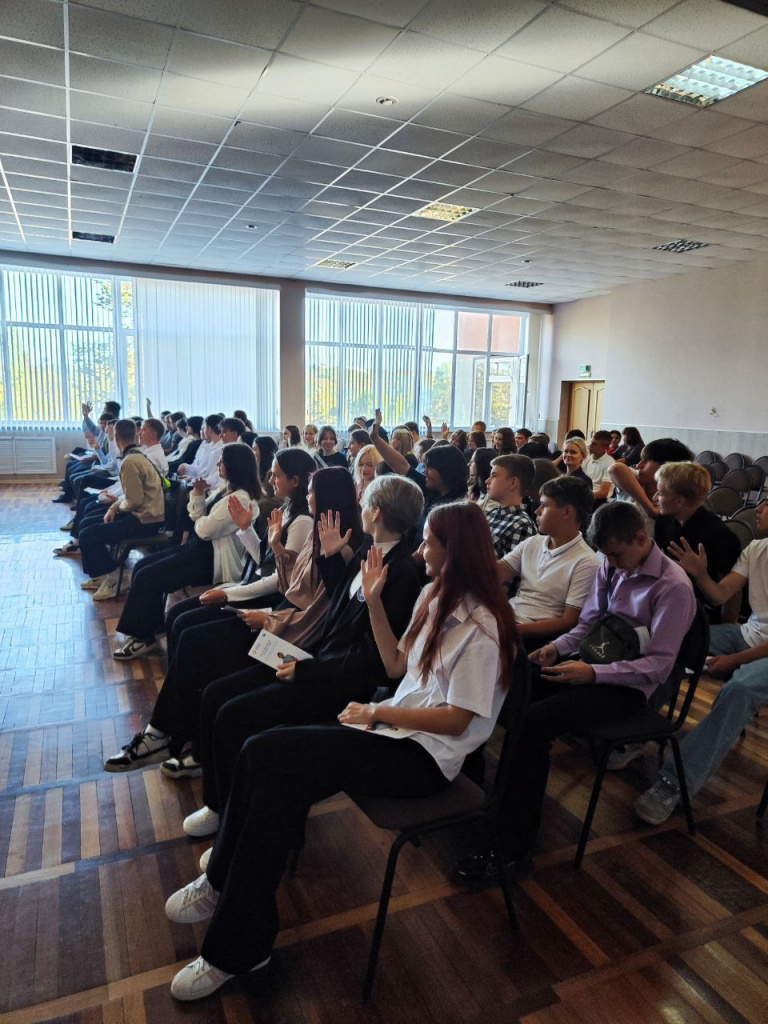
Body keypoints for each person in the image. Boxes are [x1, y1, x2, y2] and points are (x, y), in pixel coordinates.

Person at [163, 500, 519, 1002]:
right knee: (268, 766)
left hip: (422, 761)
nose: (420, 550)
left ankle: (233, 937)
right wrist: (374, 601)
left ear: (453, 551)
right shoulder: (434, 597)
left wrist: (379, 714)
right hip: (390, 732)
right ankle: (232, 900)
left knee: (267, 753)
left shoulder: (484, 627)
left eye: (429, 543)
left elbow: (457, 719)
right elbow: (396, 667)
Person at [456, 501, 696, 887]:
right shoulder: (611, 563)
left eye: (617, 555)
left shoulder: (673, 587)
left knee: (534, 723)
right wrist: (558, 648)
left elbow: (659, 666)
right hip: (594, 663)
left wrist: (593, 673)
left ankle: (514, 848)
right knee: (509, 686)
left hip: (630, 687)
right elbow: (588, 626)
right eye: (607, 557)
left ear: (641, 538)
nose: (612, 565)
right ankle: (478, 792)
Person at [181, 474, 426, 840]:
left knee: (233, 716)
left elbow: (369, 657)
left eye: (364, 502)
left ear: (375, 513)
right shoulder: (368, 550)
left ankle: (227, 811)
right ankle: (221, 804)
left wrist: (307, 669)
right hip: (316, 661)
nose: (358, 506)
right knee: (216, 694)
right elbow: (340, 607)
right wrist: (331, 556)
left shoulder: (402, 573)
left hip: (336, 682)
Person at [104, 466, 362, 775]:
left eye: (312, 491)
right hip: (279, 619)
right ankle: (169, 733)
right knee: (189, 634)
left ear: (327, 497)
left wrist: (262, 615)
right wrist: (273, 545)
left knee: (199, 644)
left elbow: (319, 615)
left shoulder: (338, 546)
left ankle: (171, 737)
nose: (307, 495)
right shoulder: (319, 534)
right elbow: (292, 583)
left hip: (290, 636)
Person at [635, 503, 768, 824]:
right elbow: (720, 595)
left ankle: (675, 782)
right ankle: (637, 729)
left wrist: (734, 660)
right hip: (749, 635)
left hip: (756, 649)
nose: (760, 507)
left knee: (739, 690)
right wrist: (700, 574)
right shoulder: (758, 548)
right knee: (675, 639)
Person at [112, 444, 262, 661]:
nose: (219, 464)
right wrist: (199, 494)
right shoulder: (225, 488)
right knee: (142, 567)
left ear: (234, 466)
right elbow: (197, 516)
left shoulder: (240, 499)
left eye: (222, 461)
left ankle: (143, 638)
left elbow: (203, 530)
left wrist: (200, 520)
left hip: (211, 560)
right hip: (199, 549)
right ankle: (152, 627)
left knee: (148, 576)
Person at [498, 476, 599, 645]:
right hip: (509, 619)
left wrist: (512, 631)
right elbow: (495, 573)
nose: (537, 511)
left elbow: (568, 622)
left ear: (567, 512)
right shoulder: (533, 543)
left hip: (536, 637)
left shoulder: (586, 561)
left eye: (544, 506)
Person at [77, 419, 166, 601]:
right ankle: (103, 576)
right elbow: (133, 498)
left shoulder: (131, 460)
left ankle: (116, 580)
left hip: (145, 521)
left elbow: (133, 501)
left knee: (89, 535)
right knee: (87, 524)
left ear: (116, 438)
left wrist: (114, 507)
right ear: (135, 436)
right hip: (142, 515)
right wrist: (115, 506)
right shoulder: (138, 455)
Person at [654, 461, 740, 620]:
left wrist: (726, 631)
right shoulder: (664, 520)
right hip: (668, 596)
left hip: (701, 610)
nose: (655, 497)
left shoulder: (720, 536)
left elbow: (732, 594)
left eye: (660, 493)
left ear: (680, 501)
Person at [609, 438, 694, 535]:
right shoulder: (634, 482)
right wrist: (650, 509)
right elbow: (615, 468)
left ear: (666, 467)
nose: (638, 465)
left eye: (647, 461)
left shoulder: (677, 500)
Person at [484, 454, 537, 559]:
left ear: (513, 482)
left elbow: (511, 573)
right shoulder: (492, 514)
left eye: (494, 476)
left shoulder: (522, 525)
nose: (487, 481)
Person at [582, 430, 615, 501]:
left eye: (594, 444)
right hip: (586, 494)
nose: (590, 446)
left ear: (604, 448)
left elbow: (603, 493)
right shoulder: (587, 458)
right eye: (591, 442)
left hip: (598, 500)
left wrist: (582, 496)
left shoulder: (610, 463)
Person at [468, 447, 498, 511]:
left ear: (481, 464)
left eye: (472, 461)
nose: (469, 464)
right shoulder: (474, 485)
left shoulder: (494, 493)